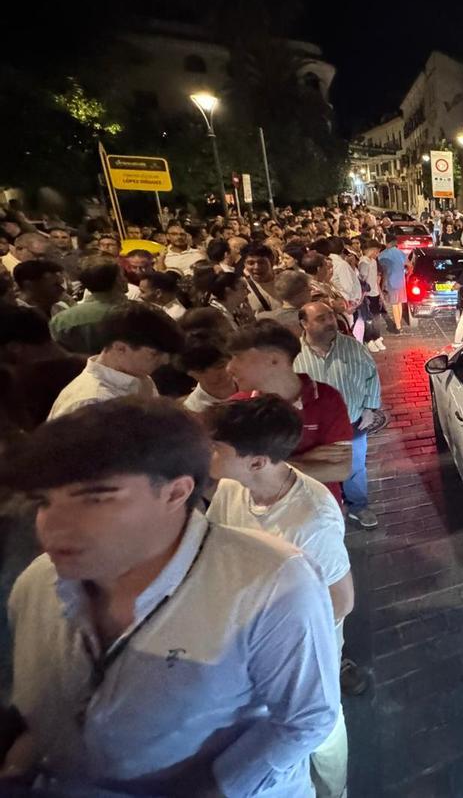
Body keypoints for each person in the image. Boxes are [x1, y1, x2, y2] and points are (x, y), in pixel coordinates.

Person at [0, 398, 340, 795]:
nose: (54, 525)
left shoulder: (272, 584)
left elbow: (308, 716)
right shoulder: (35, 586)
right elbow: (45, 717)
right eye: (44, 502)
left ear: (176, 492)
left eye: (96, 497)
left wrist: (215, 787)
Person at [205, 397, 354, 797]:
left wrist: (288, 644)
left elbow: (341, 599)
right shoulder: (232, 488)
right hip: (245, 637)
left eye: (218, 449)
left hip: (299, 642)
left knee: (319, 725)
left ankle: (334, 790)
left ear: (256, 462)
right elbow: (214, 541)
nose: (209, 454)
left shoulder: (311, 518)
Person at [225, 321, 355, 512]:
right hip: (263, 517)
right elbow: (232, 474)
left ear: (274, 360)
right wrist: (306, 459)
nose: (229, 367)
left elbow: (340, 469)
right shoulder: (237, 406)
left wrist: (261, 468)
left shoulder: (327, 398)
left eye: (238, 357)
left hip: (318, 513)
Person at [293, 302, 382, 530]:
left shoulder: (353, 347)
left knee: (355, 467)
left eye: (331, 316)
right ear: (304, 323)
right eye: (321, 319)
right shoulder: (294, 354)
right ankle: (324, 510)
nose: (330, 322)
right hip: (311, 429)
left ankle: (358, 506)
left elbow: (372, 376)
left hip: (352, 421)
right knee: (316, 468)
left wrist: (369, 408)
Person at [48, 303, 183, 419]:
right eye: (155, 354)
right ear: (120, 348)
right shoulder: (92, 402)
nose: (165, 361)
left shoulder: (140, 379)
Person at [49, 258, 129, 356]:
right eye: (122, 276)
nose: (125, 279)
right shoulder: (138, 313)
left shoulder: (61, 320)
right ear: (118, 281)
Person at [180, 338, 238, 413]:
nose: (213, 375)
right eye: (202, 372)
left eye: (220, 365)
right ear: (192, 374)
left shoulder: (252, 382)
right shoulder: (193, 410)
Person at [256, 269, 312, 336]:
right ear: (301, 293)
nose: (311, 292)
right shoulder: (310, 319)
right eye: (309, 289)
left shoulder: (262, 319)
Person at [376, 231, 411, 332]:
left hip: (390, 281)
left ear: (387, 242)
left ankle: (398, 326)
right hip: (401, 281)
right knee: (399, 303)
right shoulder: (400, 252)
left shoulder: (382, 255)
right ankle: (398, 323)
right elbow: (409, 265)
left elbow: (380, 270)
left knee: (395, 304)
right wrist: (407, 274)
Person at [242, 243, 282, 316]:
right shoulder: (242, 288)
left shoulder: (286, 280)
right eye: (251, 263)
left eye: (261, 262)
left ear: (272, 261)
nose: (256, 267)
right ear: (245, 264)